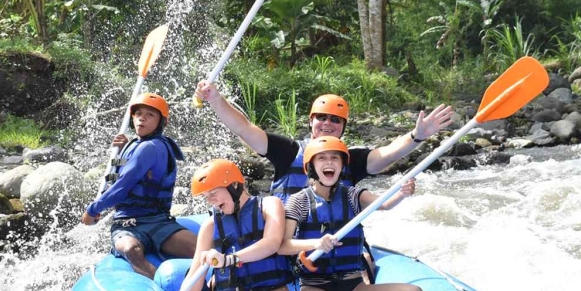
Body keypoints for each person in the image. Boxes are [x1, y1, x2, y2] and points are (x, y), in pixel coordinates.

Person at [158, 159, 328, 291]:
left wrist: (229, 259)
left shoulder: (269, 205)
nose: (211, 200)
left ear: (235, 186)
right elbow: (194, 278)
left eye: (214, 193)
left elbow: (271, 243)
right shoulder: (210, 226)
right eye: (207, 196)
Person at [194, 83, 456, 198]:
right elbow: (243, 128)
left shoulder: (352, 159)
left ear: (343, 127)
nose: (328, 123)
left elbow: (387, 154)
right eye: (322, 117)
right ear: (311, 121)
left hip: (331, 244)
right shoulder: (288, 151)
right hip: (290, 242)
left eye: (335, 119)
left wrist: (417, 136)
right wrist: (216, 100)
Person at [281, 137, 424, 291]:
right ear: (311, 166)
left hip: (352, 284)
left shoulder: (353, 196)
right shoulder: (298, 201)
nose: (329, 162)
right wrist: (315, 244)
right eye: (322, 158)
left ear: (342, 165)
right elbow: (283, 246)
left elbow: (384, 203)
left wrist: (401, 194)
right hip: (314, 286)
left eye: (335, 158)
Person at [81, 92, 196, 277]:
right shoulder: (133, 144)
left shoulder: (150, 147)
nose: (142, 118)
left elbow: (122, 187)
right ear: (132, 117)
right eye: (138, 113)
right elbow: (113, 178)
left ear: (161, 122)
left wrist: (93, 209)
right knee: (130, 248)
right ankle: (160, 290)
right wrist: (122, 150)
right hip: (127, 224)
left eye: (150, 115)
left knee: (201, 248)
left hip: (157, 221)